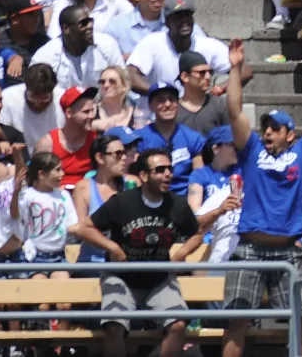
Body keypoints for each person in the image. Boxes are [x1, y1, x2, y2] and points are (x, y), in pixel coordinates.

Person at [219, 39, 302, 357]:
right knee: (236, 322)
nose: (268, 132)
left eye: (275, 128)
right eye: (265, 127)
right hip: (249, 249)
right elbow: (233, 110)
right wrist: (235, 67)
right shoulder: (251, 149)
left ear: (289, 134)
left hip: (287, 252)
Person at [71, 145, 203, 357]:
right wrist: (111, 246)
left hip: (159, 278)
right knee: (114, 326)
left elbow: (196, 233)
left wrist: (182, 252)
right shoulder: (123, 202)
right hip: (121, 277)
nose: (167, 174)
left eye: (170, 169)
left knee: (178, 324)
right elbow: (85, 228)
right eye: (160, 170)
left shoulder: (177, 205)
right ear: (143, 175)